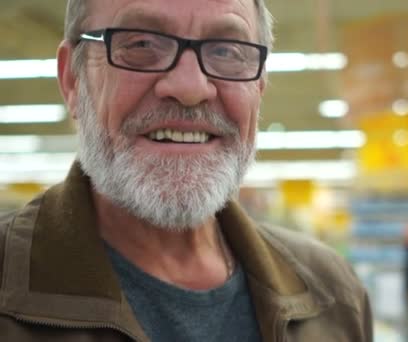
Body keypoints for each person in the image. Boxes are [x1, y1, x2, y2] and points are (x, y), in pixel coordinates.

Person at [0, 0, 373, 341]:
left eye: (226, 51)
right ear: (72, 79)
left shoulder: (334, 295)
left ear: (259, 86)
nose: (190, 87)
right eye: (142, 44)